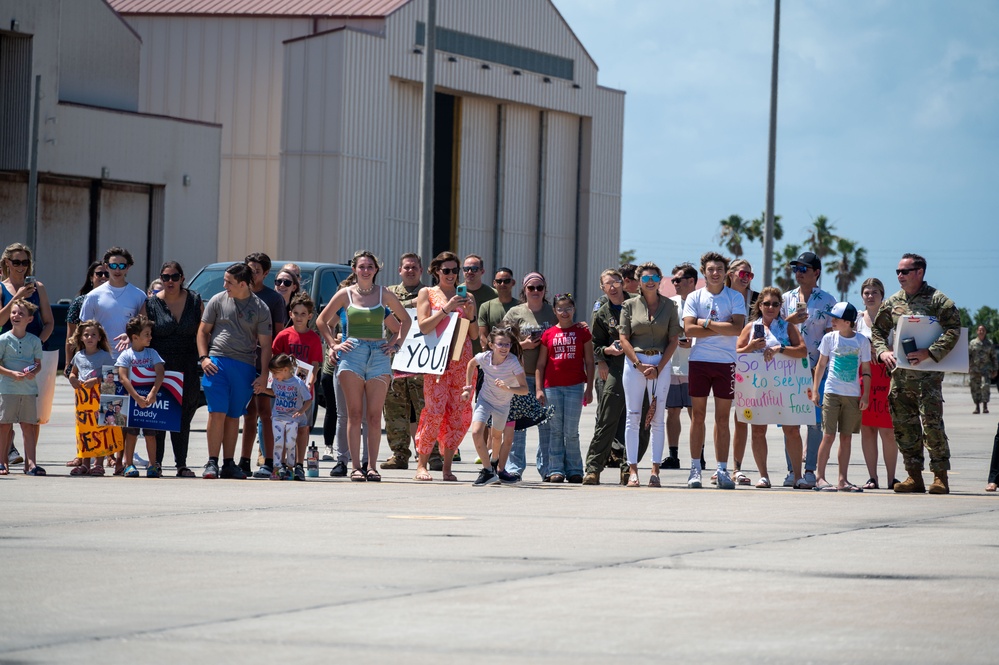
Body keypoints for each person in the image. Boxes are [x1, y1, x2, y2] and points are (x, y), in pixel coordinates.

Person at [871, 253, 961, 494]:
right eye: (898, 272)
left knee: (932, 426)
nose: (899, 276)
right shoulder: (892, 302)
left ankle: (940, 477)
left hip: (927, 379)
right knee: (904, 427)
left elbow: (954, 328)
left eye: (904, 272)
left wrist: (930, 352)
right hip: (900, 378)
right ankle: (913, 476)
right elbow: (878, 331)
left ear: (919, 272)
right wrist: (882, 353)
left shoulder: (937, 300)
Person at [317, 251, 409, 482]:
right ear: (354, 269)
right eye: (361, 266)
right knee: (354, 414)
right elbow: (321, 321)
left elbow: (404, 321)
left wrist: (395, 345)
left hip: (378, 354)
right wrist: (333, 345)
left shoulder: (384, 294)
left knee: (375, 416)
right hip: (352, 353)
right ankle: (355, 466)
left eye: (370, 266)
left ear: (376, 269)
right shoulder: (345, 294)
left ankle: (372, 466)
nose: (366, 270)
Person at [198, 263, 273, 480]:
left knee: (233, 415)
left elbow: (266, 346)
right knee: (216, 412)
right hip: (216, 363)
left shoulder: (260, 308)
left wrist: (264, 374)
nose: (224, 285)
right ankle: (212, 461)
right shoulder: (218, 300)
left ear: (242, 283)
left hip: (244, 366)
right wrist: (204, 358)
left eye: (229, 282)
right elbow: (202, 332)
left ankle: (228, 463)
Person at [683, 252, 746, 489]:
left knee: (722, 418)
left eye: (719, 269)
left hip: (727, 363)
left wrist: (705, 323)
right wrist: (722, 327)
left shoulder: (735, 297)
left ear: (726, 272)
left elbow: (737, 328)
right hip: (699, 360)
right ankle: (695, 468)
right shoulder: (694, 297)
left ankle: (722, 469)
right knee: (697, 416)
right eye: (711, 269)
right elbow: (689, 330)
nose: (715, 273)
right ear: (704, 272)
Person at [414, 251, 478, 482]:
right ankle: (422, 464)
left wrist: (470, 314)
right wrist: (446, 308)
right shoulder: (427, 293)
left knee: (456, 415)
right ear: (436, 272)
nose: (451, 275)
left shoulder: (467, 296)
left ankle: (447, 467)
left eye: (454, 270)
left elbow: (472, 334)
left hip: (462, 360)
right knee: (434, 412)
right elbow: (423, 326)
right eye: (446, 270)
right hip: (437, 361)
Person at [735, 287, 807, 488]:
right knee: (758, 430)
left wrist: (780, 349)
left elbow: (802, 351)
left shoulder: (788, 327)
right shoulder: (750, 327)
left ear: (780, 307)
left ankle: (797, 476)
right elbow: (737, 352)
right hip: (758, 386)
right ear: (759, 305)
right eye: (766, 303)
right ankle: (764, 475)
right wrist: (751, 348)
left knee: (792, 430)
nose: (770, 307)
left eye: (775, 304)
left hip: (785, 385)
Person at [582, 269, 649, 485]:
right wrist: (607, 353)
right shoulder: (602, 313)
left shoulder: (640, 304)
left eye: (616, 282)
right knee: (606, 419)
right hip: (617, 369)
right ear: (602, 288)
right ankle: (593, 469)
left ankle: (628, 468)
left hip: (641, 368)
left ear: (623, 283)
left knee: (641, 420)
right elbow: (595, 344)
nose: (612, 287)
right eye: (607, 284)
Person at [618, 263, 681, 487]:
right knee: (633, 416)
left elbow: (674, 340)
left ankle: (655, 471)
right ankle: (633, 470)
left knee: (657, 418)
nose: (651, 281)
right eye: (646, 278)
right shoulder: (628, 305)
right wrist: (638, 365)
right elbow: (624, 339)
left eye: (655, 277)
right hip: (635, 363)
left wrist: (659, 367)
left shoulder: (670, 306)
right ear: (639, 282)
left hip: (661, 363)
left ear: (660, 280)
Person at [779, 251, 836, 488]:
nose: (799, 273)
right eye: (796, 269)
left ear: (816, 273)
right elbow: (776, 331)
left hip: (816, 369)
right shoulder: (785, 299)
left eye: (804, 269)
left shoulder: (828, 300)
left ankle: (810, 470)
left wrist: (821, 369)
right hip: (789, 368)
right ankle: (793, 470)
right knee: (790, 421)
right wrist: (789, 320)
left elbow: (832, 337)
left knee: (814, 422)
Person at [146, 261, 203, 478]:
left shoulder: (195, 300)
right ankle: (157, 463)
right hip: (160, 366)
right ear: (160, 278)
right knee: (159, 415)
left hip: (188, 364)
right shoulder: (151, 304)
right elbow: (142, 330)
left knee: (184, 416)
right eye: (166, 277)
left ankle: (181, 464)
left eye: (175, 276)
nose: (170, 281)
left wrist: (205, 358)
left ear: (182, 278)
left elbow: (203, 332)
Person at [1, 243, 55, 468]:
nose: (21, 267)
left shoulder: (38, 287)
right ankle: (3, 458)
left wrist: (37, 345)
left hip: (34, 355)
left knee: (33, 413)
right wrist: (18, 296)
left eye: (25, 262)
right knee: (5, 413)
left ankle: (30, 461)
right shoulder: (2, 288)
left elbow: (50, 322)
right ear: (7, 263)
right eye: (16, 262)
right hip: (7, 353)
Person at [809, 302, 870, 492]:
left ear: (847, 322)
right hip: (831, 392)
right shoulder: (829, 338)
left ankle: (843, 480)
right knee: (828, 435)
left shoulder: (861, 341)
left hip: (852, 394)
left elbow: (866, 369)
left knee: (846, 437)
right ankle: (820, 478)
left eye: (835, 318)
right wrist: (816, 389)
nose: (832, 321)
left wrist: (865, 394)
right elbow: (821, 365)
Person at [535, 293, 595, 483]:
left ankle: (575, 469)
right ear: (554, 311)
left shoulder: (582, 332)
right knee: (555, 430)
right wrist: (538, 389)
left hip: (575, 387)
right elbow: (541, 365)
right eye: (560, 308)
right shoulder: (549, 334)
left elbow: (590, 362)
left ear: (574, 309)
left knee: (571, 430)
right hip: (552, 387)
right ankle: (556, 470)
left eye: (568, 308)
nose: (564, 312)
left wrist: (589, 388)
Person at [502, 272, 556, 479]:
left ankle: (547, 468)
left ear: (545, 290)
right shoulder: (515, 313)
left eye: (539, 287)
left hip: (547, 377)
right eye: (531, 288)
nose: (535, 291)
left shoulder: (552, 313)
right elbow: (499, 340)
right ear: (524, 290)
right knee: (518, 425)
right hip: (520, 376)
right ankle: (515, 468)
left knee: (546, 424)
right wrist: (522, 345)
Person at [239, 252, 288, 476]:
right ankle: (243, 461)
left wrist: (270, 368)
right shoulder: (239, 294)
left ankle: (269, 460)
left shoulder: (274, 299)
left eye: (257, 271)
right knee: (247, 414)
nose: (252, 275)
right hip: (243, 361)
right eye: (249, 270)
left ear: (266, 274)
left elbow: (278, 335)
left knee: (265, 413)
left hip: (265, 363)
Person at [463, 327, 528, 486]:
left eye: (507, 344)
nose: (505, 347)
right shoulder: (484, 357)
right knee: (477, 432)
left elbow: (524, 389)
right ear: (491, 345)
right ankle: (487, 471)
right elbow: (471, 364)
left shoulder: (513, 363)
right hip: (485, 400)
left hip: (503, 404)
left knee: (497, 437)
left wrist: (508, 389)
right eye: (501, 344)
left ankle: (494, 463)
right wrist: (468, 386)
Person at [381, 252, 425, 470]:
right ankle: (399, 454)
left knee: (426, 409)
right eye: (406, 267)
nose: (410, 270)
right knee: (394, 408)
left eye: (414, 267)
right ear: (399, 270)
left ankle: (430, 454)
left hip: (423, 361)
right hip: (395, 359)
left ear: (421, 270)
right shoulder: (388, 293)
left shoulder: (430, 293)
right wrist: (412, 303)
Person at [271, 292, 323, 477]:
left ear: (310, 316)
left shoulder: (314, 338)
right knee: (283, 430)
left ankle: (299, 464)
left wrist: (312, 377)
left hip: (304, 391)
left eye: (303, 314)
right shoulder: (284, 336)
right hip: (284, 392)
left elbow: (316, 363)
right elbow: (274, 360)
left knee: (302, 428)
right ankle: (282, 464)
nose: (299, 317)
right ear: (290, 314)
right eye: (296, 313)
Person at [855, 277, 899, 490]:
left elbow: (899, 345)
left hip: (887, 376)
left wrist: (881, 350)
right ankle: (872, 476)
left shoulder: (892, 318)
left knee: (888, 430)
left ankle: (892, 478)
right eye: (866, 292)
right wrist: (866, 351)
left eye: (874, 293)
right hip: (863, 377)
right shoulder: (856, 319)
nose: (870, 296)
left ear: (882, 296)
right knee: (868, 428)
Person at [115, 315, 165, 478]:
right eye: (147, 334)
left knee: (151, 434)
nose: (150, 337)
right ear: (135, 337)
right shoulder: (126, 355)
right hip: (131, 402)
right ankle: (128, 464)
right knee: (131, 433)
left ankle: (152, 465)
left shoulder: (152, 353)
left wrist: (152, 393)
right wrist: (136, 397)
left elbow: (160, 372)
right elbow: (123, 377)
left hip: (150, 401)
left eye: (150, 334)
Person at [724, 258, 759, 485]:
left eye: (749, 275)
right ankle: (720, 466)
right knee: (720, 418)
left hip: (752, 365)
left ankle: (736, 468)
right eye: (742, 274)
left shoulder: (758, 300)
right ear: (731, 274)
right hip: (724, 359)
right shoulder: (720, 296)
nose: (745, 278)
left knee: (743, 418)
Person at [0, 299, 43, 475]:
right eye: (14, 312)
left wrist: (34, 371)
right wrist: (11, 374)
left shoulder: (34, 341)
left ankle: (30, 463)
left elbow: (38, 364)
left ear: (30, 319)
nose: (16, 316)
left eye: (21, 313)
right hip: (7, 389)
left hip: (28, 390)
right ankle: (2, 462)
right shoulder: (3, 339)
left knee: (28, 426)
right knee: (4, 425)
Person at [67, 320, 115, 476]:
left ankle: (98, 463)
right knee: (84, 431)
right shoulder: (78, 356)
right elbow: (74, 372)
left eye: (93, 335)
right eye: (86, 335)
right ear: (81, 337)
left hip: (99, 400)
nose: (90, 337)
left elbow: (110, 377)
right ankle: (85, 463)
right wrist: (72, 378)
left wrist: (96, 380)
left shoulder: (105, 356)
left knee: (100, 430)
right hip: (83, 403)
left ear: (100, 338)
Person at [80, 247, 147, 357]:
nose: (117, 270)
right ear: (106, 266)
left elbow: (143, 327)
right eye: (113, 266)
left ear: (128, 267)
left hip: (131, 358)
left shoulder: (139, 295)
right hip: (100, 357)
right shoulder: (93, 296)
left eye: (122, 266)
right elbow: (83, 329)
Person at [663, 263, 697, 469]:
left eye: (678, 280)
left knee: (696, 413)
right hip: (673, 365)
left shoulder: (702, 301)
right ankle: (673, 456)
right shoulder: (670, 304)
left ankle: (698, 456)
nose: (674, 283)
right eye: (673, 279)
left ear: (691, 281)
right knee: (672, 411)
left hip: (695, 366)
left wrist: (695, 341)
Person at [261, 354, 313, 480]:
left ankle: (291, 467)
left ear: (285, 370)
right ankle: (277, 468)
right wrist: (263, 390)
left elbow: (308, 399)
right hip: (278, 416)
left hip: (293, 418)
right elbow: (274, 393)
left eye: (275, 373)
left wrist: (301, 411)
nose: (273, 376)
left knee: (290, 442)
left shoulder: (298, 383)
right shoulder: (276, 381)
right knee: (278, 442)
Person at [64, 262, 109, 377]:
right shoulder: (79, 302)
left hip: (108, 356)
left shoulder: (116, 300)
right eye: (99, 274)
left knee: (107, 390)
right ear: (91, 277)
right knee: (84, 392)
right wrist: (68, 363)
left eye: (107, 274)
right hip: (84, 359)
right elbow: (70, 336)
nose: (103, 276)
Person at [461, 254, 497, 355]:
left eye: (474, 269)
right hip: (461, 353)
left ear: (482, 271)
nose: (469, 272)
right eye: (466, 269)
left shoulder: (494, 294)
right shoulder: (454, 293)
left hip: (486, 353)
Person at [969, 325, 997, 414]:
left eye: (983, 330)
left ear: (985, 332)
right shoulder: (972, 343)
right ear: (977, 331)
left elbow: (994, 357)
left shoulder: (989, 343)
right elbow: (969, 356)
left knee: (985, 386)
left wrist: (995, 369)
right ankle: (977, 407)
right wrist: (967, 366)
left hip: (986, 369)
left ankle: (985, 406)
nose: (981, 332)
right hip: (974, 369)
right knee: (975, 388)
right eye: (980, 330)